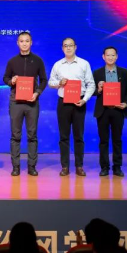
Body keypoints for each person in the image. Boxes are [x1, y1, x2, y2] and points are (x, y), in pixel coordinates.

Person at [48, 37, 95, 176]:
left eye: (70, 45)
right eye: (65, 46)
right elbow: (50, 82)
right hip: (63, 103)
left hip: (79, 103)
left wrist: (85, 99)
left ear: (75, 47)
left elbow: (91, 84)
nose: (68, 48)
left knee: (79, 136)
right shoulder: (58, 64)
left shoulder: (84, 64)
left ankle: (79, 166)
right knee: (64, 136)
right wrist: (59, 83)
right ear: (62, 48)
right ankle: (65, 167)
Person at [3, 32, 48, 176]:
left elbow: (44, 80)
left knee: (32, 135)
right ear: (17, 43)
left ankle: (31, 166)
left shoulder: (38, 60)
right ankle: (16, 167)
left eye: (27, 41)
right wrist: (11, 81)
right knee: (15, 135)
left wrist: (37, 92)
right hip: (15, 102)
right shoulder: (12, 61)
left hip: (32, 102)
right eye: (21, 41)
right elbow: (5, 78)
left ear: (31, 43)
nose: (24, 43)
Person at [92, 47, 127, 177]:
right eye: (108, 55)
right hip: (102, 111)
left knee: (117, 140)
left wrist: (125, 103)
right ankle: (104, 167)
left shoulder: (123, 72)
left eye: (113, 55)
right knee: (103, 140)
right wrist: (98, 89)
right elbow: (91, 91)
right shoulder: (97, 73)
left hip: (118, 110)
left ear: (117, 57)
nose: (110, 57)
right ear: (103, 57)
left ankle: (117, 167)